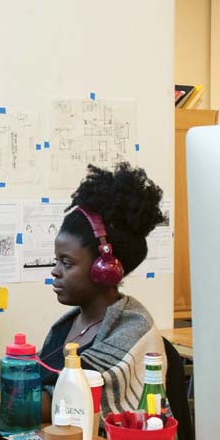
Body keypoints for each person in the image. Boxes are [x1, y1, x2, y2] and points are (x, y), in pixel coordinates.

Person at [40, 162, 166, 416]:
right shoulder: (64, 327)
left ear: (104, 267)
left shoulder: (133, 330)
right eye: (56, 260)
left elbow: (68, 402)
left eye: (66, 262)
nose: (55, 271)